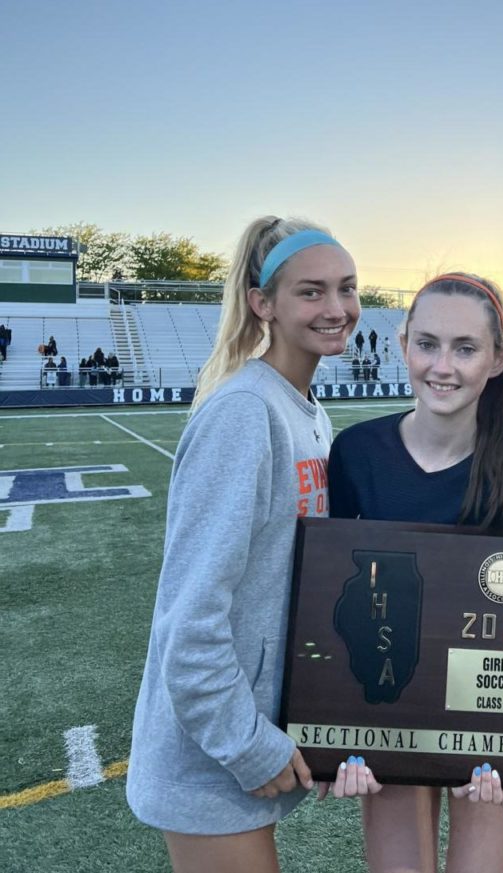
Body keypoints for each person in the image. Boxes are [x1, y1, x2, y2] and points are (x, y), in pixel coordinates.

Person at [126, 216, 361, 873]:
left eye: (346, 288)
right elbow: (189, 618)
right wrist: (245, 742)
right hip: (211, 757)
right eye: (311, 292)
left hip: (254, 737)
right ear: (264, 304)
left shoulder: (307, 410)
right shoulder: (242, 414)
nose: (338, 307)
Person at [327, 272, 503, 873]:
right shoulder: (356, 454)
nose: (442, 366)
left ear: (499, 359)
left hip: (486, 738)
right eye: (427, 344)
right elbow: (331, 598)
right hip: (387, 720)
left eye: (465, 348)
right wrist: (334, 734)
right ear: (403, 345)